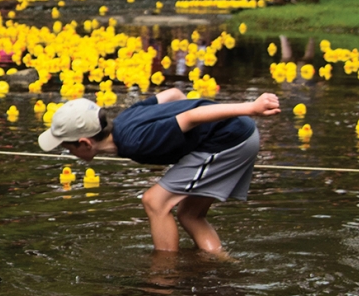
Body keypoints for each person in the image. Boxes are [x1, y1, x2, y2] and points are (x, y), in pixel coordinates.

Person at [38, 89, 281, 254]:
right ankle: (222, 264)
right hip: (233, 135)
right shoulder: (126, 119)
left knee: (155, 202)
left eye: (66, 147)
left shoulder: (136, 141)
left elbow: (191, 116)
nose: (68, 153)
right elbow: (174, 95)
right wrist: (185, 141)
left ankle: (165, 277)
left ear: (85, 143)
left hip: (228, 140)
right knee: (189, 214)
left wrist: (251, 107)